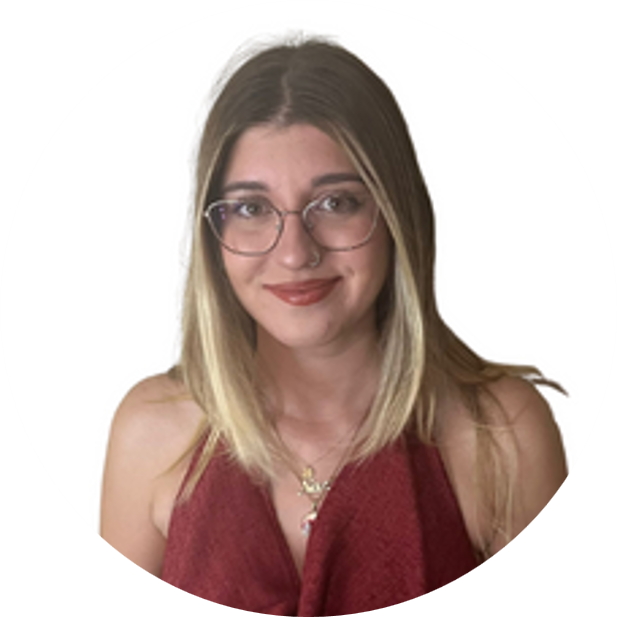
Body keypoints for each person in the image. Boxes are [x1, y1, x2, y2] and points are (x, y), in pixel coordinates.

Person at [100, 38, 568, 613]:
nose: (295, 253)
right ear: (212, 236)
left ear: (395, 213)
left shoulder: (499, 432)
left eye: (336, 203)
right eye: (251, 208)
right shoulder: (152, 434)